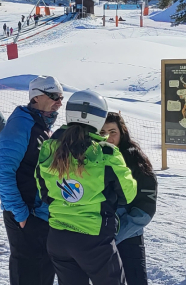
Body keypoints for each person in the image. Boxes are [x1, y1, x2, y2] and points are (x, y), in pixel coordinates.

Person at [36, 90, 136, 285]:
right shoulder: (106, 152)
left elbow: (44, 193)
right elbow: (127, 194)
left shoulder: (49, 148)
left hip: (58, 237)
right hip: (94, 237)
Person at [0, 75, 63, 285]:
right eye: (54, 97)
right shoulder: (20, 125)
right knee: (28, 273)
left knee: (43, 271)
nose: (59, 102)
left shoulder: (39, 124)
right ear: (36, 98)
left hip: (39, 214)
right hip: (25, 214)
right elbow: (1, 173)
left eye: (61, 97)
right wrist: (21, 214)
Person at [100, 112, 158, 285]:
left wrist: (120, 231)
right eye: (103, 132)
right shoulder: (92, 157)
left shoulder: (134, 158)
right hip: (100, 235)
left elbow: (147, 203)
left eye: (112, 132)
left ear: (122, 132)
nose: (108, 137)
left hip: (129, 235)